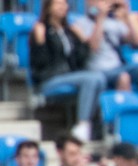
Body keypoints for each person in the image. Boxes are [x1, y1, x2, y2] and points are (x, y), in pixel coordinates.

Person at [29, 0, 107, 143]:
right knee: (91, 79)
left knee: (99, 78)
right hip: (49, 79)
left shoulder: (69, 31)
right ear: (48, 7)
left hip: (69, 76)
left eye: (64, 4)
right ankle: (82, 124)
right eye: (58, 4)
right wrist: (40, 41)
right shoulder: (41, 29)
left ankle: (93, 125)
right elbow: (39, 62)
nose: (62, 7)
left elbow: (82, 58)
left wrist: (82, 40)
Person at [76, 0, 138, 93]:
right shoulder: (80, 24)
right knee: (124, 77)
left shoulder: (113, 22)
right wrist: (100, 18)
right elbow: (93, 47)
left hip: (119, 67)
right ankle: (127, 106)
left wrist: (127, 14)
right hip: (99, 70)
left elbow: (136, 42)